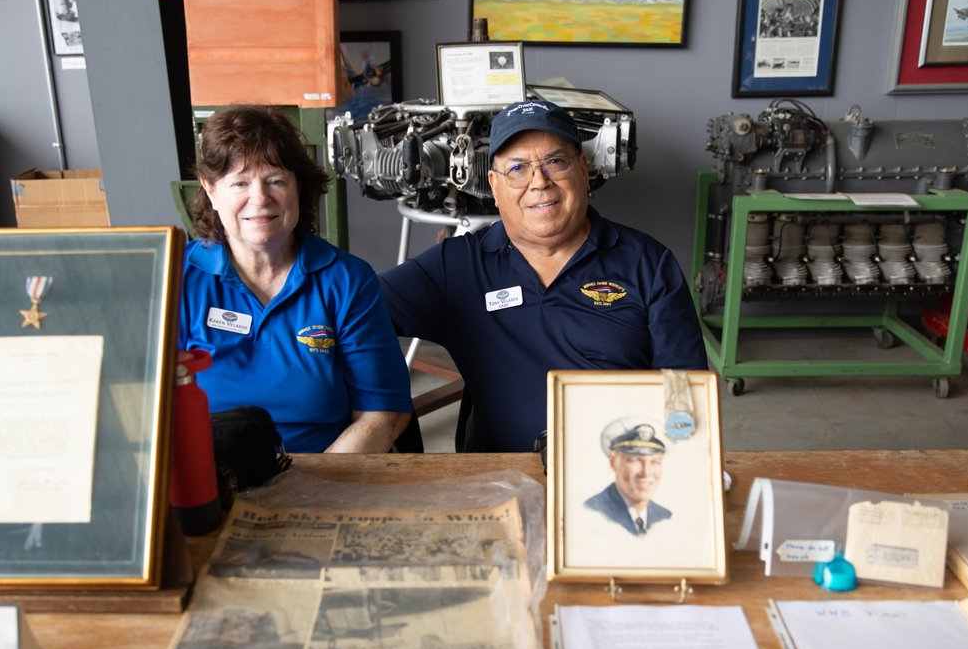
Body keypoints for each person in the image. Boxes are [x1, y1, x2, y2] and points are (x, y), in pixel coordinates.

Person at [379, 99, 706, 452]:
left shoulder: (647, 264)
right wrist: (383, 419)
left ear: (582, 169)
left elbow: (684, 389)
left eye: (555, 162)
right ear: (493, 184)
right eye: (517, 168)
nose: (539, 182)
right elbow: (348, 312)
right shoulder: (457, 266)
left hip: (616, 470)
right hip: (497, 479)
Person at [178, 105, 411, 453]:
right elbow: (145, 404)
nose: (259, 199)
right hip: (208, 481)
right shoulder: (178, 277)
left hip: (326, 478)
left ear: (299, 187)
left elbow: (381, 414)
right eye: (240, 183)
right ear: (211, 190)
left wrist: (312, 490)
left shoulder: (347, 281)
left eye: (275, 180)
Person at [583, 421, 671, 537]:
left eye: (655, 462)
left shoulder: (664, 516)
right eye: (634, 461)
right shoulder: (592, 511)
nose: (646, 473)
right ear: (614, 463)